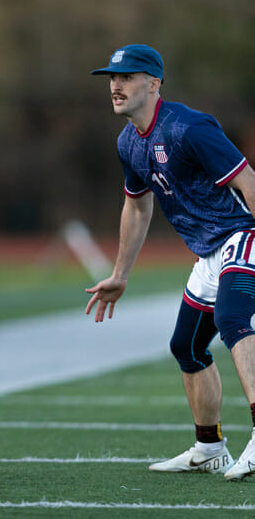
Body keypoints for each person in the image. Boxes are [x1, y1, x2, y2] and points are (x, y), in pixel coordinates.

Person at [86, 44, 255, 480]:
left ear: (154, 82)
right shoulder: (128, 142)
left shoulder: (188, 127)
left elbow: (248, 180)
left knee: (234, 318)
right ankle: (210, 447)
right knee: (187, 346)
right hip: (208, 253)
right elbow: (137, 207)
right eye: (112, 78)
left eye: (127, 77)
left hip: (241, 234)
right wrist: (120, 275)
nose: (116, 86)